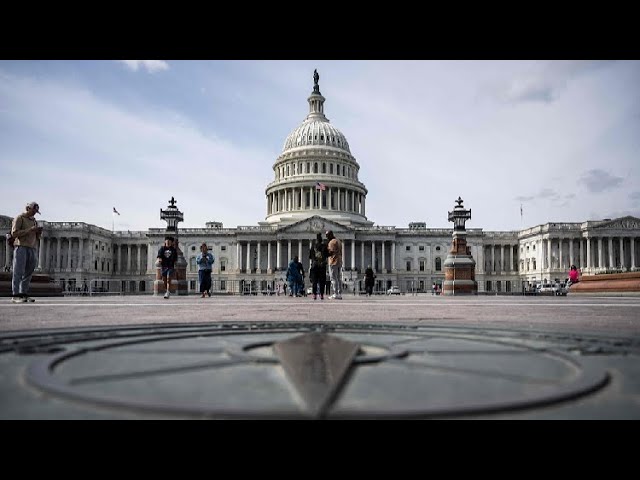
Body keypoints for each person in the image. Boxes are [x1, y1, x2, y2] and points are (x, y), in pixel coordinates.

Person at [10, 202, 43, 303]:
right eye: (33, 211)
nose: (34, 213)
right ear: (28, 208)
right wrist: (30, 230)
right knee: (18, 272)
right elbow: (14, 233)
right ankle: (15, 295)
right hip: (21, 247)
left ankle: (23, 294)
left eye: (36, 212)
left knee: (29, 272)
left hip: (32, 248)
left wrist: (38, 232)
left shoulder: (34, 221)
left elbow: (36, 237)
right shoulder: (19, 218)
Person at [309, 232, 328, 300]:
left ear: (316, 239)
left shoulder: (313, 246)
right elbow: (327, 255)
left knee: (315, 281)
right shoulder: (324, 246)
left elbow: (310, 256)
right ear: (321, 239)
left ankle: (314, 294)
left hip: (315, 265)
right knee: (322, 281)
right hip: (322, 265)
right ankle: (321, 294)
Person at [325, 230, 342, 299]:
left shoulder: (331, 242)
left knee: (333, 278)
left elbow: (331, 252)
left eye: (327, 236)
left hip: (333, 261)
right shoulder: (338, 241)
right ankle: (339, 293)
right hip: (339, 261)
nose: (326, 237)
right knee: (338, 278)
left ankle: (335, 293)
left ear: (330, 235)